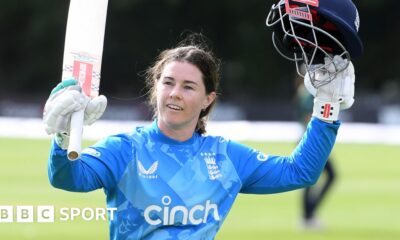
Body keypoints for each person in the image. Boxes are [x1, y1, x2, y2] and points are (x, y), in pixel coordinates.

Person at [43, 0, 362, 239]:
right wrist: (62, 138)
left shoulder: (227, 158)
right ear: (155, 88)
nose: (174, 94)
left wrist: (327, 109)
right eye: (167, 83)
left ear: (209, 99)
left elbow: (301, 172)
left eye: (188, 86)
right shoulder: (124, 149)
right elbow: (68, 178)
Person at [294, 76, 336, 230]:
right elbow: (308, 118)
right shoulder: (308, 93)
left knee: (310, 178)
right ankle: (308, 216)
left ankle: (308, 216)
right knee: (326, 176)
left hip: (307, 140)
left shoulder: (303, 91)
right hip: (311, 141)